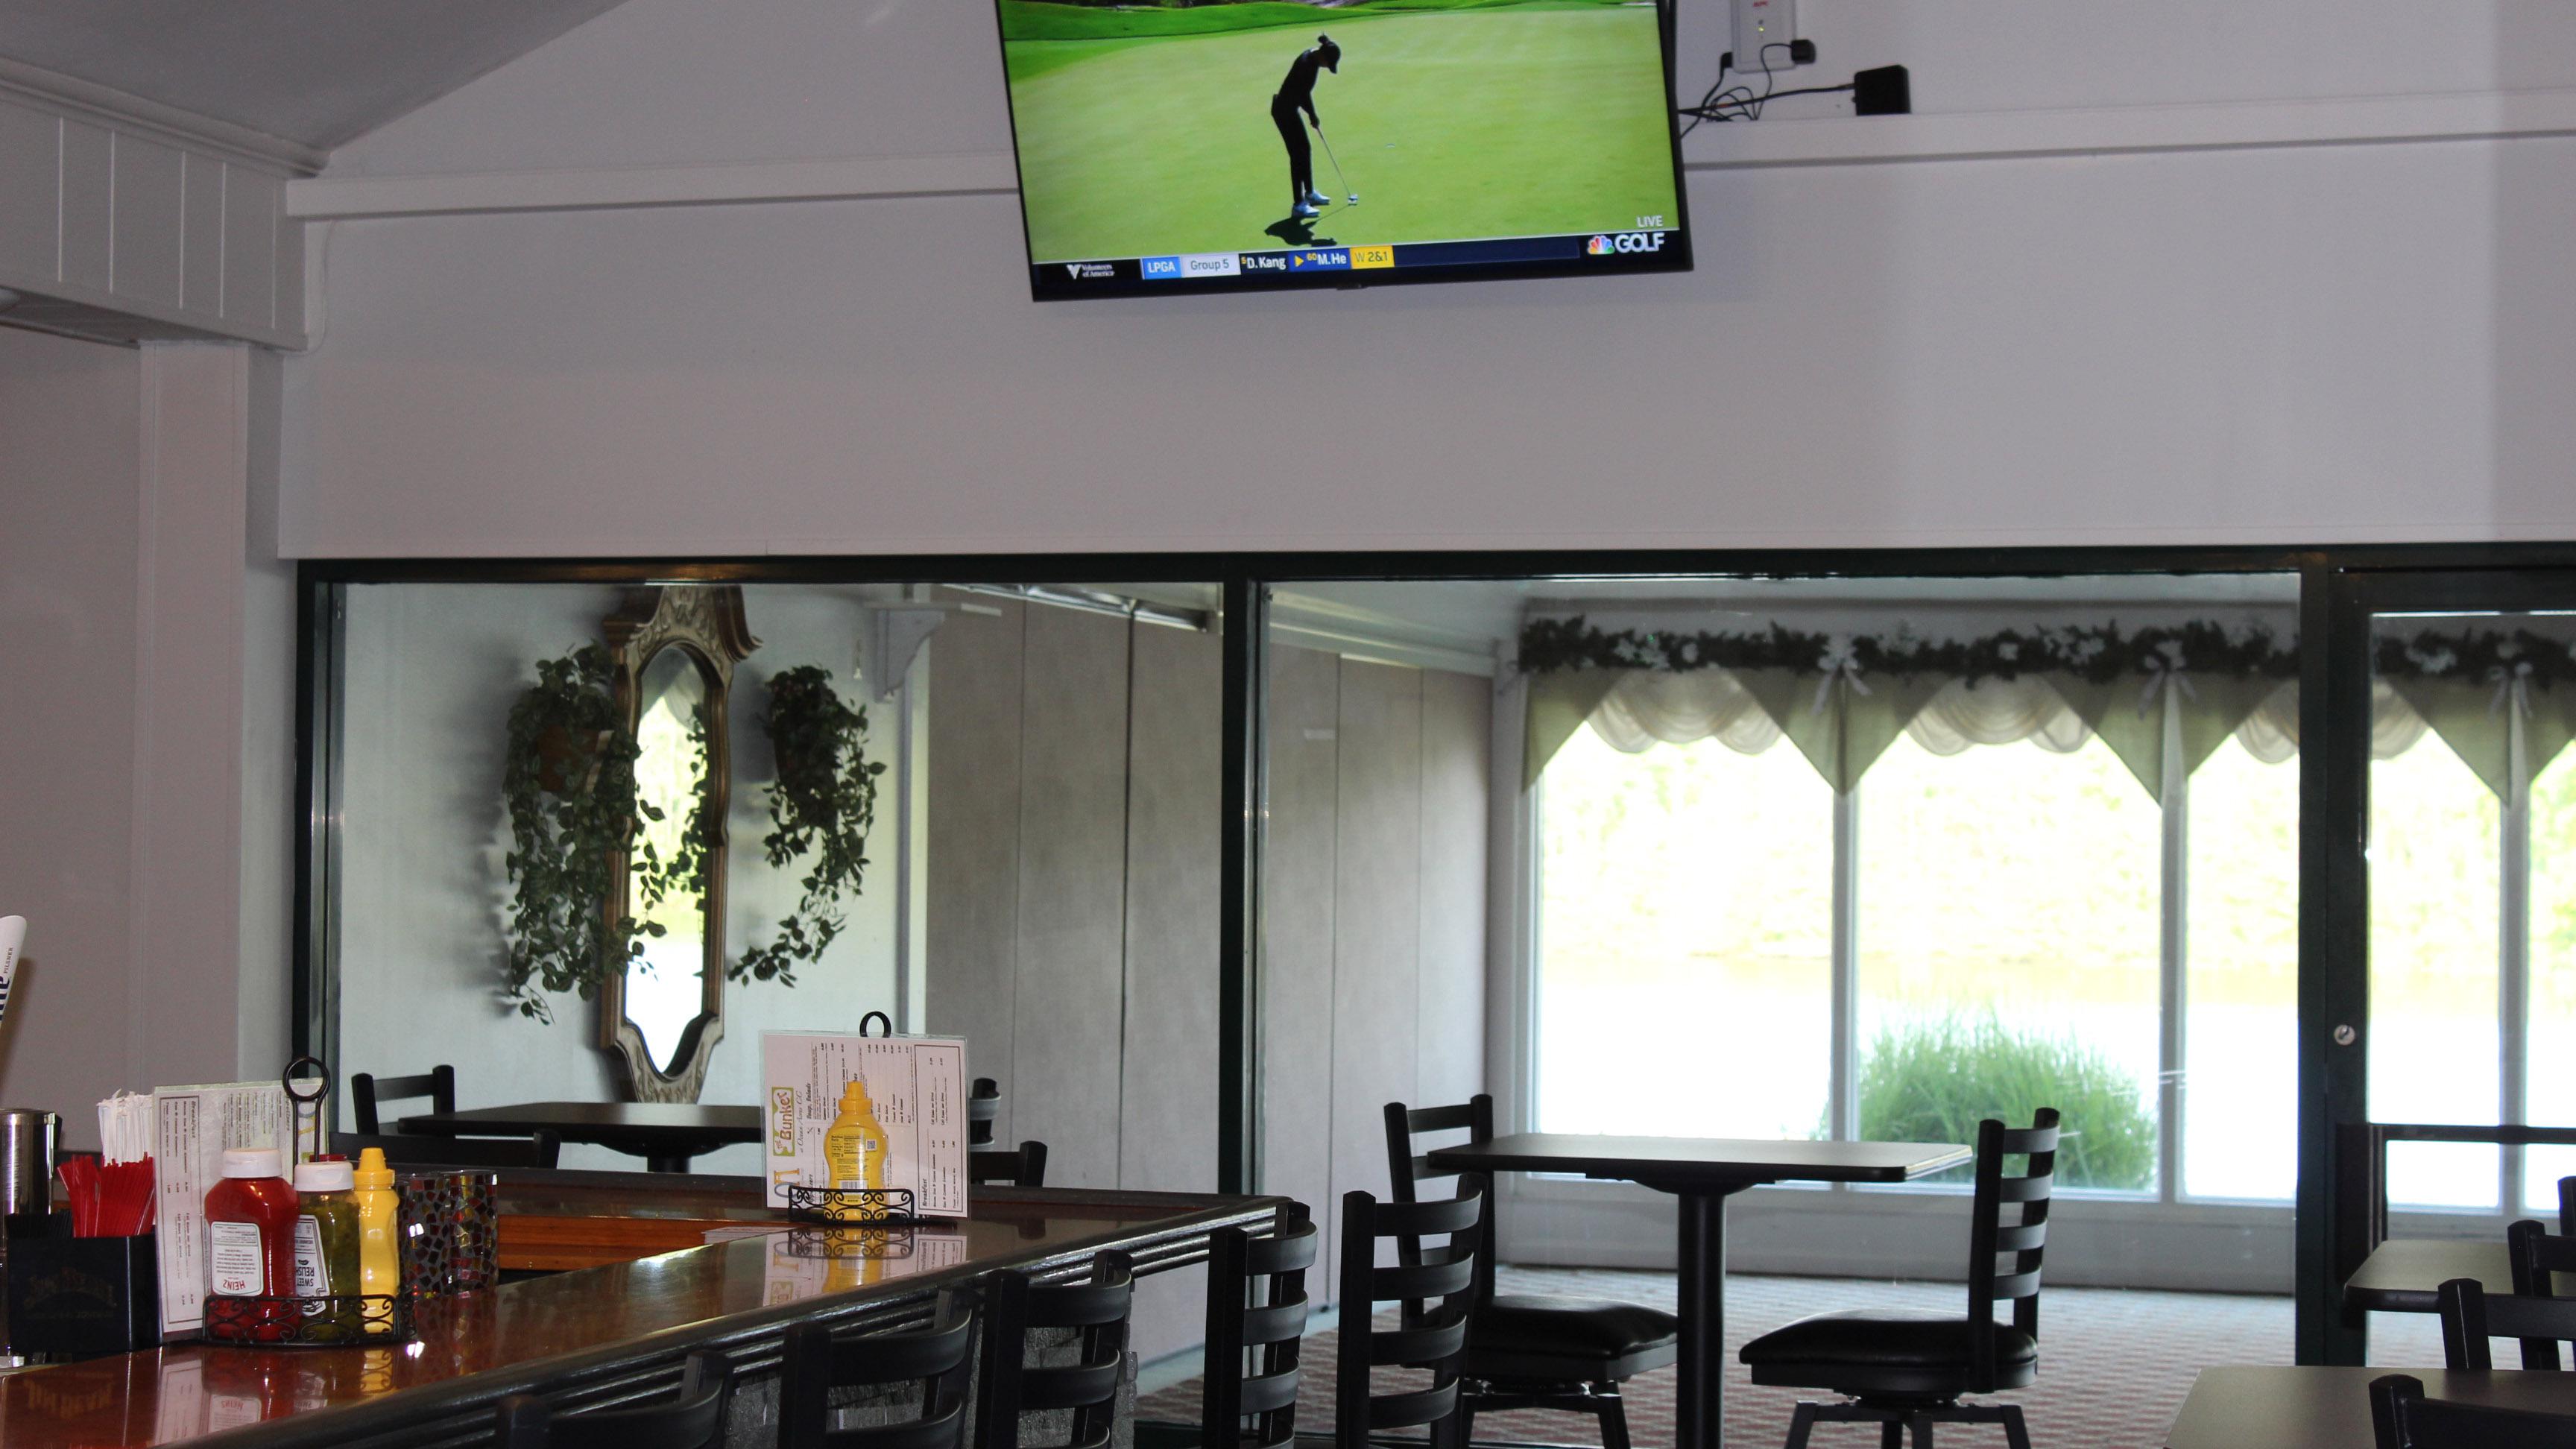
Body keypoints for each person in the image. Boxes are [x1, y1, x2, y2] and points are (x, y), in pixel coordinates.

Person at [1270, 34, 1341, 218]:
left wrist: (1312, 114)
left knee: (1305, 149)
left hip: (1290, 110)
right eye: (1328, 64)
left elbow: (1304, 93)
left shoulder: (1313, 60)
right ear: (1323, 57)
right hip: (1283, 111)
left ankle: (1309, 194)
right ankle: (1298, 205)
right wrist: (1312, 115)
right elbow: (1303, 95)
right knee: (1297, 156)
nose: (1327, 67)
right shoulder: (1305, 65)